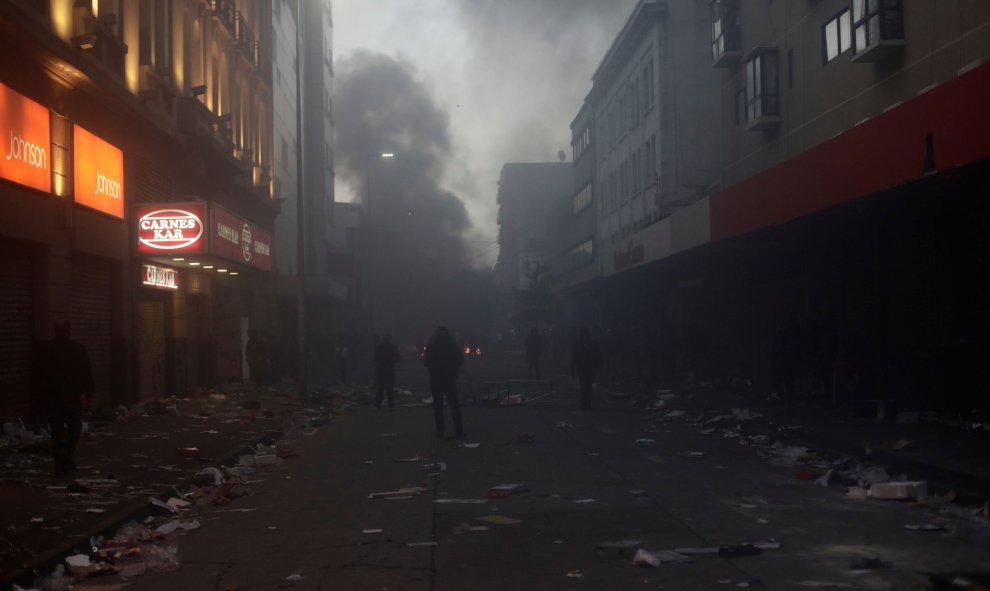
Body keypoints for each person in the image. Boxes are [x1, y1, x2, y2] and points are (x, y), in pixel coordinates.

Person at [32, 321, 94, 474]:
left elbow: (37, 375)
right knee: (75, 427)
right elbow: (86, 371)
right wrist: (89, 393)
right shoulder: (78, 349)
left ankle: (61, 460)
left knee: (57, 429)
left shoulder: (44, 349)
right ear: (68, 331)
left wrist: (38, 396)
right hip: (71, 396)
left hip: (52, 397)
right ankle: (66, 455)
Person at [424, 326, 465, 438]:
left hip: (436, 380)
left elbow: (426, 363)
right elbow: (460, 361)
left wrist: (435, 369)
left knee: (438, 407)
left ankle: (440, 431)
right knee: (454, 406)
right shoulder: (453, 347)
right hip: (449, 380)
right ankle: (459, 431)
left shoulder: (431, 348)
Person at [570, 327, 603, 411]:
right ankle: (584, 403)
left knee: (588, 386)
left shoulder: (592, 344)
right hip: (582, 368)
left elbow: (598, 356)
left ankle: (587, 403)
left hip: (590, 368)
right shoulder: (579, 345)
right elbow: (574, 358)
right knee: (584, 386)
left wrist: (599, 366)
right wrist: (572, 369)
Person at [374, 334, 401, 410]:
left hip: (382, 369)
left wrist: (382, 362)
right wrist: (391, 361)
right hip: (390, 369)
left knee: (381, 388)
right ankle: (390, 405)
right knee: (389, 388)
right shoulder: (393, 347)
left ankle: (378, 405)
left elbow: (375, 359)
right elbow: (398, 359)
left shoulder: (379, 347)